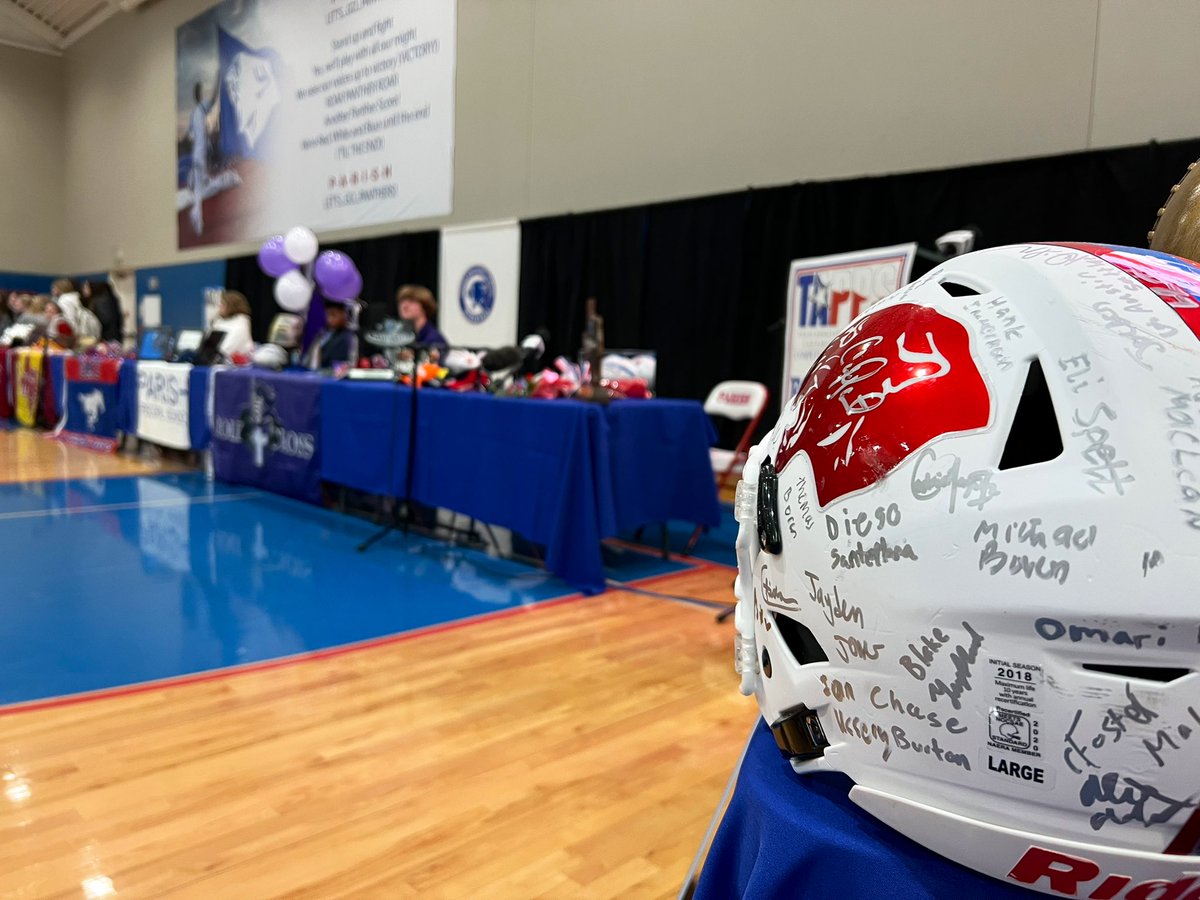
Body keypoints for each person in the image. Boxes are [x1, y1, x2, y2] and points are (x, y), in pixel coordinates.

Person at [188, 80, 218, 236]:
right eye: (200, 92)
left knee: (201, 182)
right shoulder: (201, 108)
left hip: (197, 156)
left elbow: (190, 134)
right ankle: (196, 220)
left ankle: (193, 182)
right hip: (200, 156)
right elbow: (212, 100)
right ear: (199, 95)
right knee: (199, 191)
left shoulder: (194, 114)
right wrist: (217, 80)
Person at [307, 298, 358, 370]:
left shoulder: (347, 337)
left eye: (333, 314)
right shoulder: (322, 334)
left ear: (344, 314)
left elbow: (341, 365)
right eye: (327, 315)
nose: (329, 319)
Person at [209, 289, 254, 359]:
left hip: (233, 366)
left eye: (222, 304)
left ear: (231, 307)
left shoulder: (240, 325)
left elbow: (225, 350)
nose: (219, 306)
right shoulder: (218, 322)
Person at [81, 279, 123, 343]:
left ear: (93, 287)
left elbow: (105, 320)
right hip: (114, 336)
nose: (84, 290)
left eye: (86, 288)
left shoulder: (101, 300)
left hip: (106, 338)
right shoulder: (108, 298)